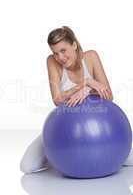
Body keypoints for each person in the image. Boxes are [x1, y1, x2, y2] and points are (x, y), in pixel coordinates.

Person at [20, 26, 133, 174]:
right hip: (61, 130)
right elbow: (57, 99)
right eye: (55, 53)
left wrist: (87, 91)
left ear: (74, 44)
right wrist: (85, 83)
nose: (60, 57)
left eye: (63, 50)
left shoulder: (91, 57)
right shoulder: (52, 62)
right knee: (27, 167)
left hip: (104, 130)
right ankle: (59, 157)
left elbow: (109, 95)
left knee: (127, 160)